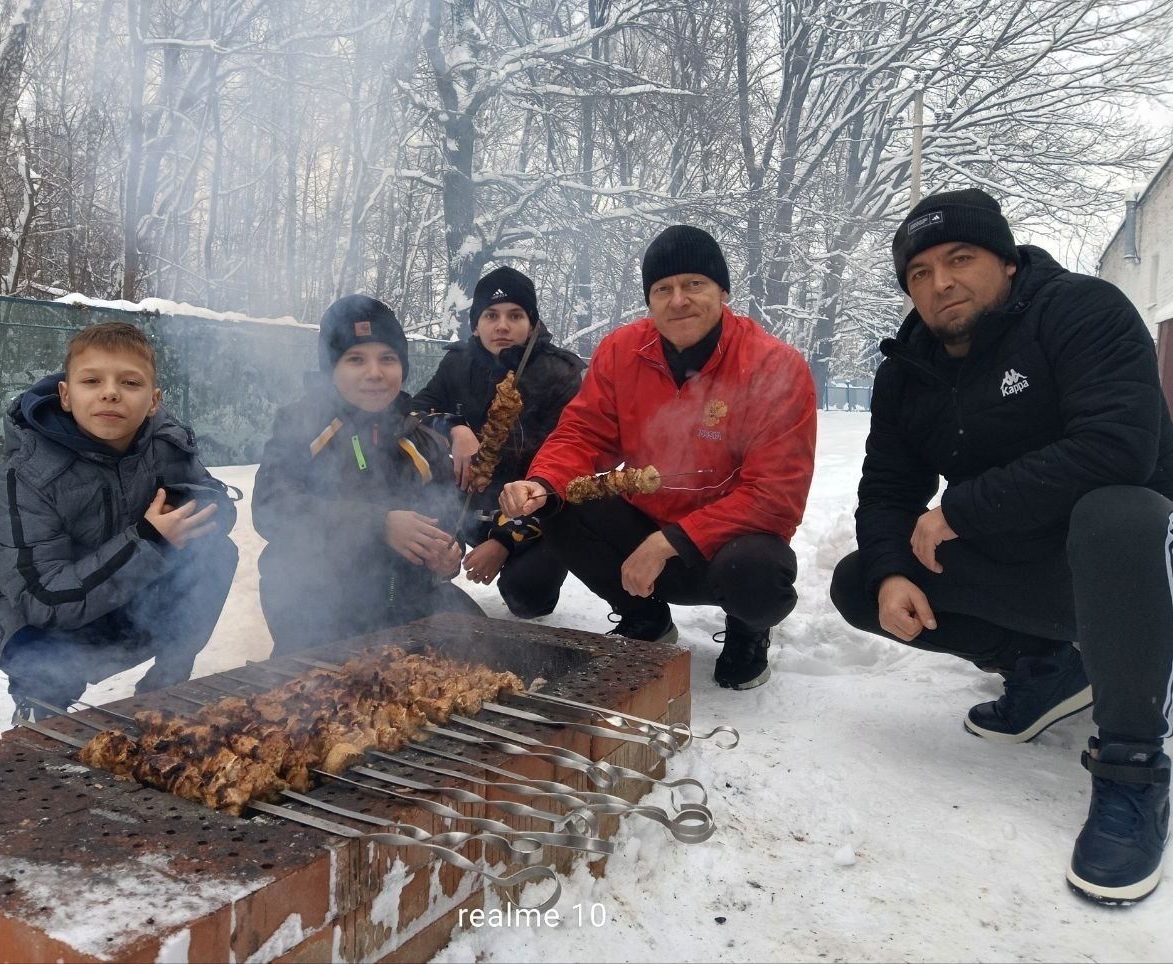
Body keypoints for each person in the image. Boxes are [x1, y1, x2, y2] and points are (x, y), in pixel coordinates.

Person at [828, 187, 1173, 904]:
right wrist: (894, 571)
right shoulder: (910, 369)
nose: (941, 282)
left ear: (1008, 263)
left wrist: (959, 510)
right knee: (864, 579)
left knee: (1116, 512)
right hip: (1036, 567)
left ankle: (1133, 765)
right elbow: (888, 490)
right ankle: (1048, 668)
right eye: (919, 272)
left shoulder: (1080, 311)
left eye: (961, 258)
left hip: (1142, 567)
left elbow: (1118, 449)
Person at [499, 225, 817, 690]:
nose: (679, 300)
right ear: (649, 299)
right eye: (662, 288)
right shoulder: (621, 352)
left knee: (757, 571)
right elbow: (584, 433)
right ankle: (646, 618)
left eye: (695, 284)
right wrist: (542, 482)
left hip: (728, 548)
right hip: (645, 522)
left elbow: (776, 495)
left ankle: (748, 631)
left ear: (722, 290)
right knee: (562, 504)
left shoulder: (774, 367)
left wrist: (671, 541)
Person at [0, 321, 239, 720]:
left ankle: (168, 688)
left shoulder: (165, 442)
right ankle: (41, 710)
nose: (110, 392)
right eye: (92, 380)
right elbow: (43, 599)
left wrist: (188, 507)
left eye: (130, 383)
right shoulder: (28, 473)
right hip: (30, 614)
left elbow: (217, 503)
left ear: (153, 400)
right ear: (65, 394)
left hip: (120, 593)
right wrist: (149, 540)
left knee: (215, 552)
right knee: (44, 658)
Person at [253, 294, 483, 655]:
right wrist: (377, 524)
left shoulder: (424, 440)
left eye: (387, 359)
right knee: (325, 694)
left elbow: (448, 521)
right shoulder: (302, 424)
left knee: (480, 648)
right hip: (316, 599)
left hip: (406, 598)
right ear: (332, 368)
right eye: (356, 359)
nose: (375, 373)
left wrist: (448, 554)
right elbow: (271, 508)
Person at [411, 266, 586, 618]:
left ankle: (525, 572)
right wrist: (454, 427)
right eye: (491, 315)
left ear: (532, 324)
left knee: (527, 596)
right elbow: (415, 412)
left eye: (515, 315)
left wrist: (505, 540)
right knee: (425, 562)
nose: (502, 326)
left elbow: (566, 467)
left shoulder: (561, 375)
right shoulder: (457, 364)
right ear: (476, 324)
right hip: (465, 501)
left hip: (534, 512)